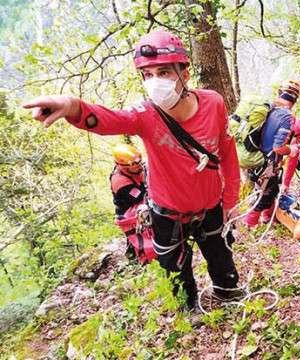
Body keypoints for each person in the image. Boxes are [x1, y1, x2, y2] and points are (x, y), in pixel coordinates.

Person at [23, 29, 242, 309]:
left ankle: (228, 293)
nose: (155, 82)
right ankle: (190, 313)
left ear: (184, 73)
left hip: (211, 205)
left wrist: (230, 199)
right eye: (147, 75)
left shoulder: (213, 103)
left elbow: (226, 152)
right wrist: (74, 107)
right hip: (167, 212)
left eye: (163, 72)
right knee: (176, 269)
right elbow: (110, 120)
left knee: (220, 254)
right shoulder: (146, 114)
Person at [243, 80, 300, 227]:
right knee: (265, 195)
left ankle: (268, 217)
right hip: (268, 163)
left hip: (256, 158)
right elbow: (278, 147)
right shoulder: (286, 116)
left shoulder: (270, 109)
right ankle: (250, 223)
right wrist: (291, 150)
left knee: (270, 190)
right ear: (294, 100)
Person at [110, 143, 146, 218]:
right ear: (124, 167)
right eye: (135, 166)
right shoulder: (121, 182)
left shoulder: (134, 168)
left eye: (139, 163)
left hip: (139, 201)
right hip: (130, 213)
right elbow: (140, 196)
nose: (140, 167)